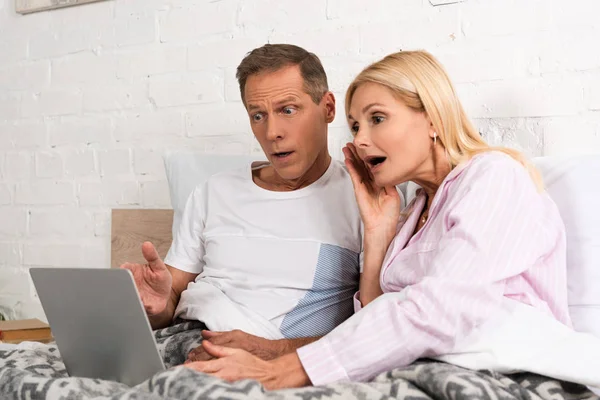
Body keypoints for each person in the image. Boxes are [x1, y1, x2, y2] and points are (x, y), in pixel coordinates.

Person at [182, 50, 600, 390]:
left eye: (377, 119)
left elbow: (439, 310)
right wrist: (379, 233)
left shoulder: (494, 177)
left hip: (508, 372)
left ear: (433, 118)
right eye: (355, 125)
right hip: (417, 363)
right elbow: (376, 325)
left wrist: (285, 370)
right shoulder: (417, 207)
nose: (360, 139)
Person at [121, 44, 364, 363]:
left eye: (288, 110)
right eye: (258, 116)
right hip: (181, 341)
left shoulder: (362, 198)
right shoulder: (214, 191)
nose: (272, 132)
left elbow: (373, 330)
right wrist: (154, 306)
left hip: (276, 359)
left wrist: (273, 352)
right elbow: (168, 303)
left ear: (328, 108)